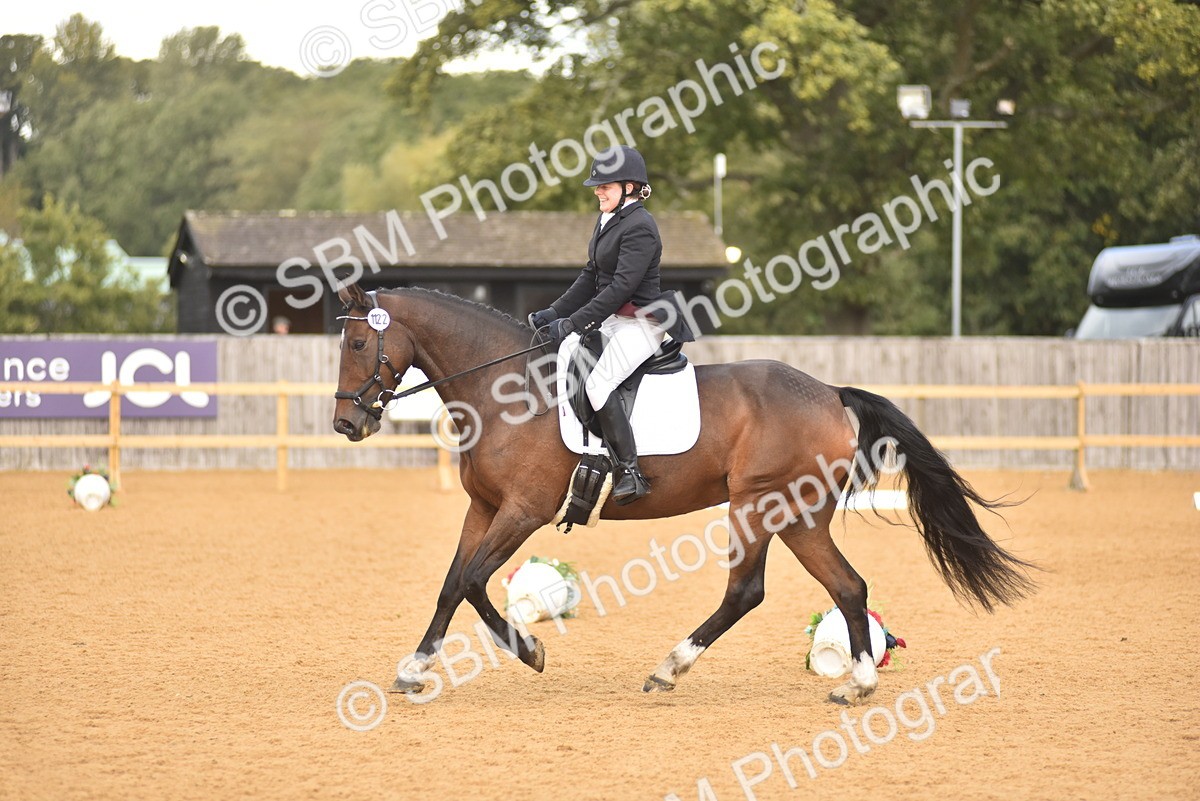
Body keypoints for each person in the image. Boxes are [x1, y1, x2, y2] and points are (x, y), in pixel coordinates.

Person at [529, 145, 694, 505]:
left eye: (606, 185)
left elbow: (621, 286)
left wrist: (572, 323)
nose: (597, 191)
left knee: (600, 382)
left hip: (642, 324)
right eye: (597, 186)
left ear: (631, 187)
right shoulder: (608, 219)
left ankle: (629, 471)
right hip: (612, 320)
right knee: (567, 361)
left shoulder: (641, 227)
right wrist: (554, 313)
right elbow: (592, 275)